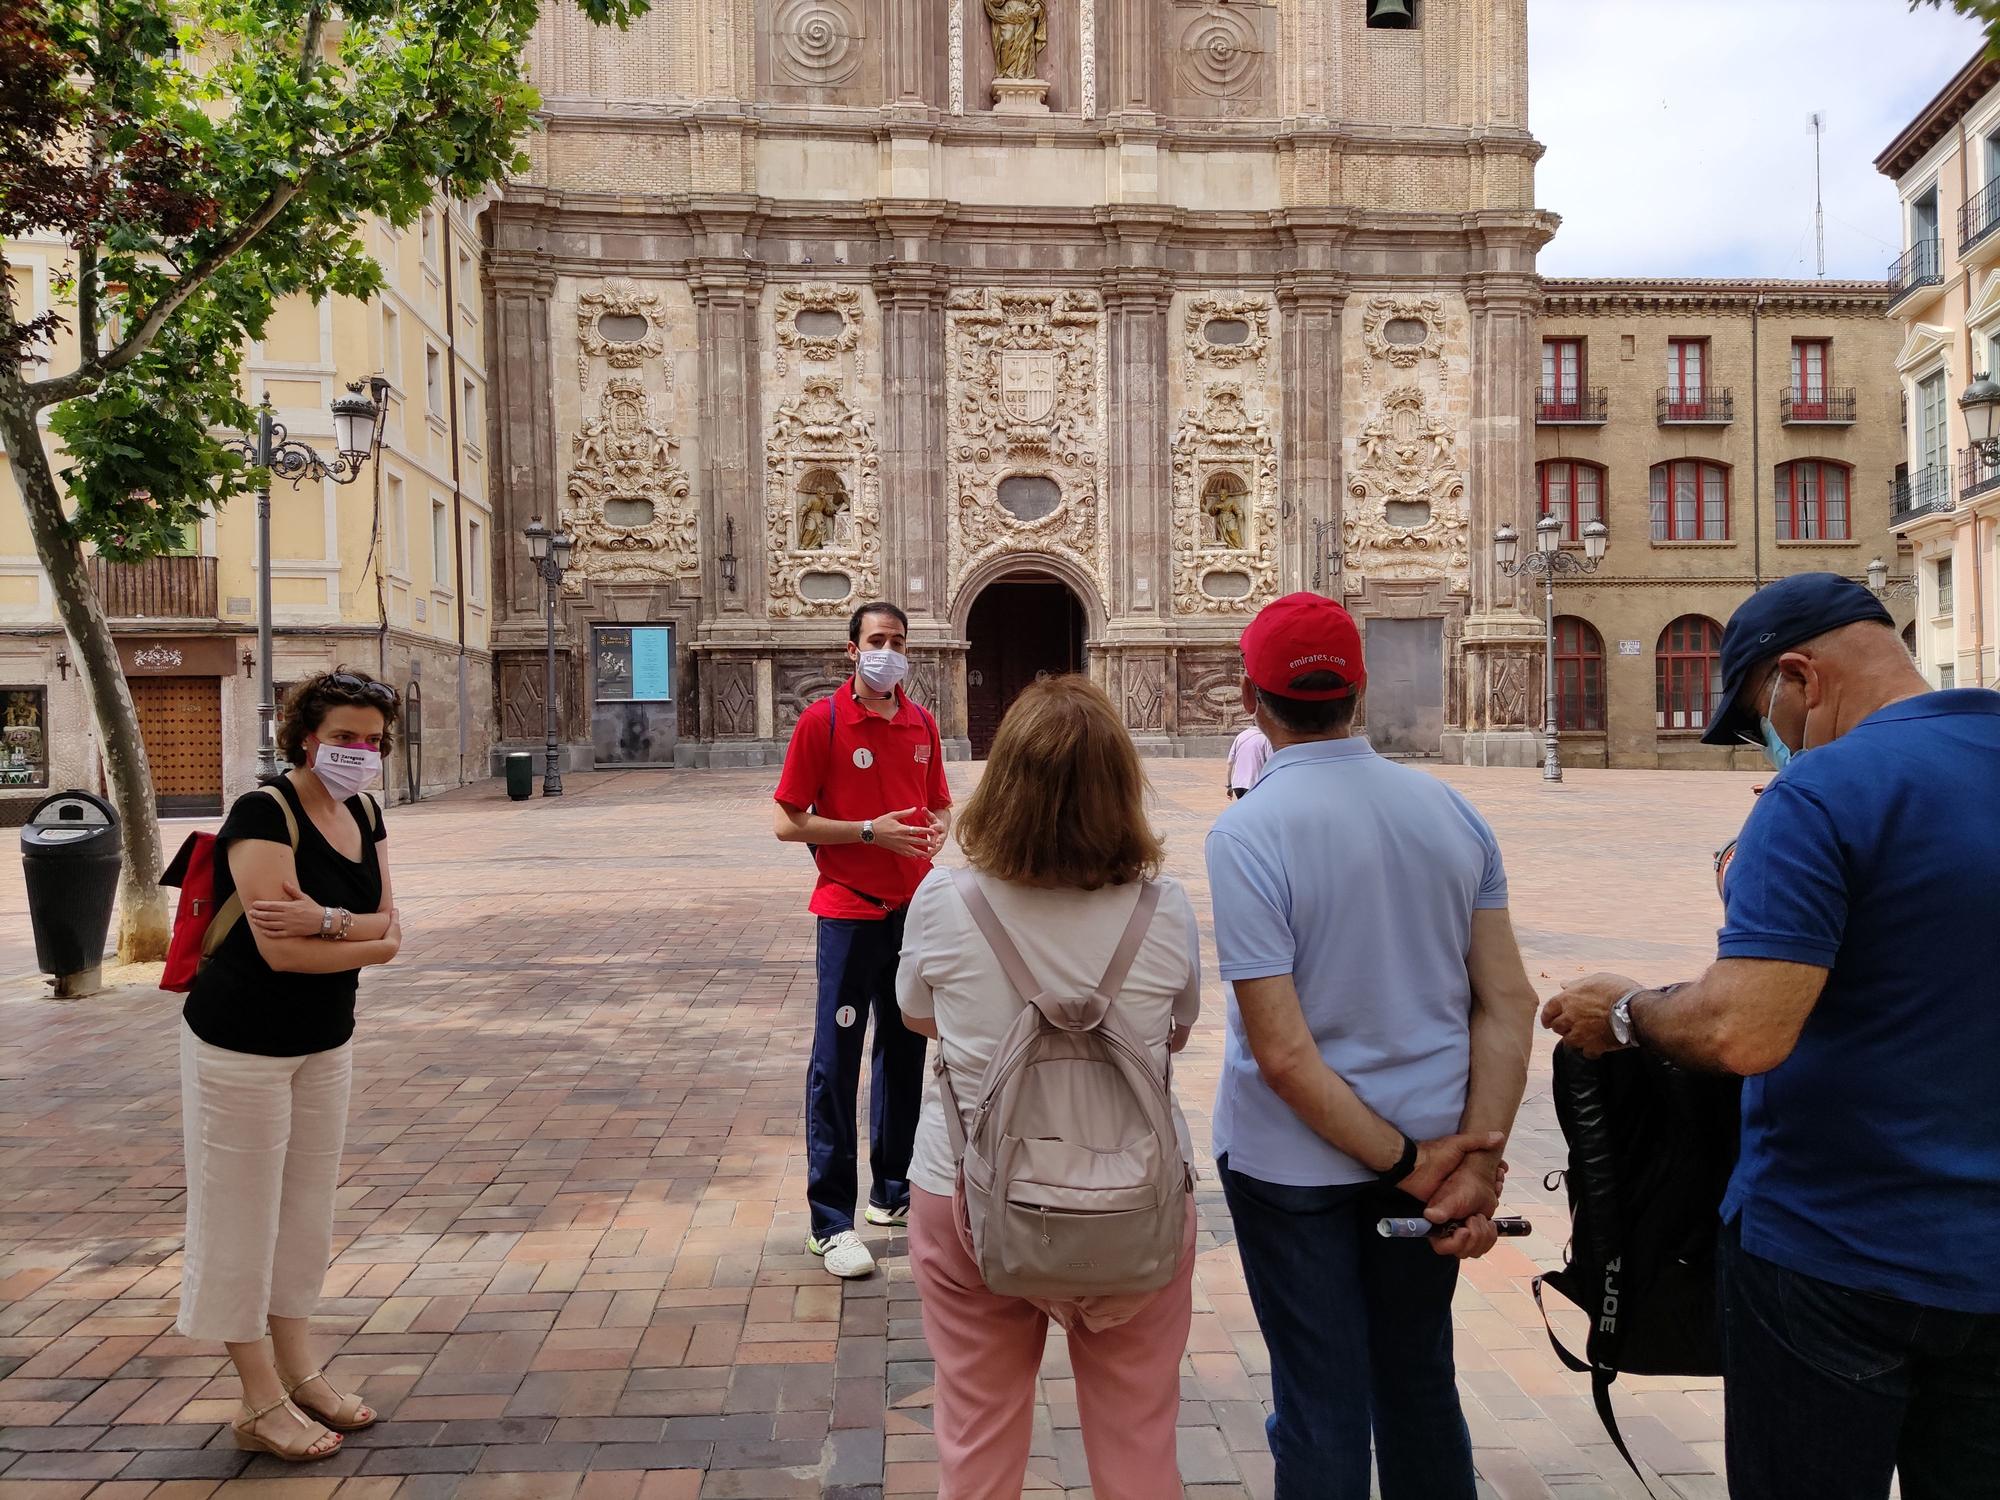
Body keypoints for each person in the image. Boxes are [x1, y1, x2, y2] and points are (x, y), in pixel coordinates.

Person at [1540, 572, 2000, 1500]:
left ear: (1799, 676)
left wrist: (1628, 1011)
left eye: (1758, 723)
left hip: (1838, 1256)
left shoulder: (1822, 795)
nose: (1766, 749)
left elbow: (1745, 1029)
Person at [1204, 592, 1538, 1500]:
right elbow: (1509, 1002)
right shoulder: (1452, 813)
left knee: (1321, 1401)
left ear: (1251, 697)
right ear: (1359, 690)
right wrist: (1471, 1157)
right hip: (1438, 1145)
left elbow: (1282, 1053)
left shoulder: (1246, 833)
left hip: (1295, 1171)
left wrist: (1413, 1165)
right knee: (1419, 1380)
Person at [898, 675, 1200, 1500]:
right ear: (1121, 787)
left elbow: (917, 1018)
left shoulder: (941, 899)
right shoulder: (1162, 907)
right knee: (1140, 1437)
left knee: (976, 1434)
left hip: (970, 1193)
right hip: (1137, 1197)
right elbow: (1177, 1029)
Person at [177, 670, 404, 1462]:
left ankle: (302, 1372)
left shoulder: (364, 811)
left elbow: (395, 933)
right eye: (344, 736)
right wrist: (354, 931)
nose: (358, 752)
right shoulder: (261, 813)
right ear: (304, 734)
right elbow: (279, 951)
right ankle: (257, 1399)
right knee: (239, 1217)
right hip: (239, 1044)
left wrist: (329, 921)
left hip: (324, 1041)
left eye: (372, 740)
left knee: (304, 1213)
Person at [773, 601, 952, 1279]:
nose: (888, 651)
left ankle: (893, 1192)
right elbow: (788, 822)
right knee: (836, 1062)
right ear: (852, 650)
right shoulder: (822, 721)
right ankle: (830, 1221)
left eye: (898, 641)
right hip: (849, 912)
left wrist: (938, 832)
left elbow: (938, 803)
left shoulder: (921, 722)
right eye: (877, 640)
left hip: (912, 912)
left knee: (906, 1053)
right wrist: (867, 832)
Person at [1226, 722, 1271, 799]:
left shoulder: (1240, 736)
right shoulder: (1265, 739)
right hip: (1255, 783)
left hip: (1238, 784)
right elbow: (1271, 762)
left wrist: (1229, 785)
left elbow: (1230, 762)